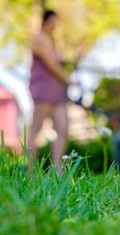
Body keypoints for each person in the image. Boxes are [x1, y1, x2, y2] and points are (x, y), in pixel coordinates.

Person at [28, 10, 73, 175]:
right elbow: (52, 64)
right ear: (45, 22)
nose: (54, 26)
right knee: (36, 129)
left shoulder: (50, 41)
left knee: (62, 128)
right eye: (52, 22)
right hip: (43, 89)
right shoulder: (40, 39)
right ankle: (31, 172)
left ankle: (57, 171)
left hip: (56, 92)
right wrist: (68, 78)